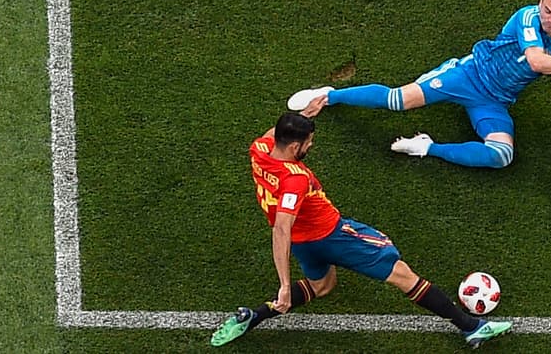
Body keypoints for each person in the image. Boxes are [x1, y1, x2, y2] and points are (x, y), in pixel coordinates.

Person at [210, 112, 512, 348]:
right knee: (402, 273)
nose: (311, 146)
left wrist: (307, 112)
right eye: (307, 143)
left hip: (305, 243)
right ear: (293, 146)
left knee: (323, 286)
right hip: (333, 236)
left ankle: (253, 316)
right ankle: (472, 328)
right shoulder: (295, 179)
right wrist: (284, 284)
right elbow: (280, 230)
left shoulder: (260, 149)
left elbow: (276, 134)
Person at [286, 0, 551, 170]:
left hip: (495, 101)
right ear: (539, 3)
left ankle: (427, 147)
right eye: (546, 9)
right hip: (468, 74)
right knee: (399, 100)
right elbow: (534, 61)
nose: (549, 18)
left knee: (501, 155)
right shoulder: (527, 18)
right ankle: (329, 95)